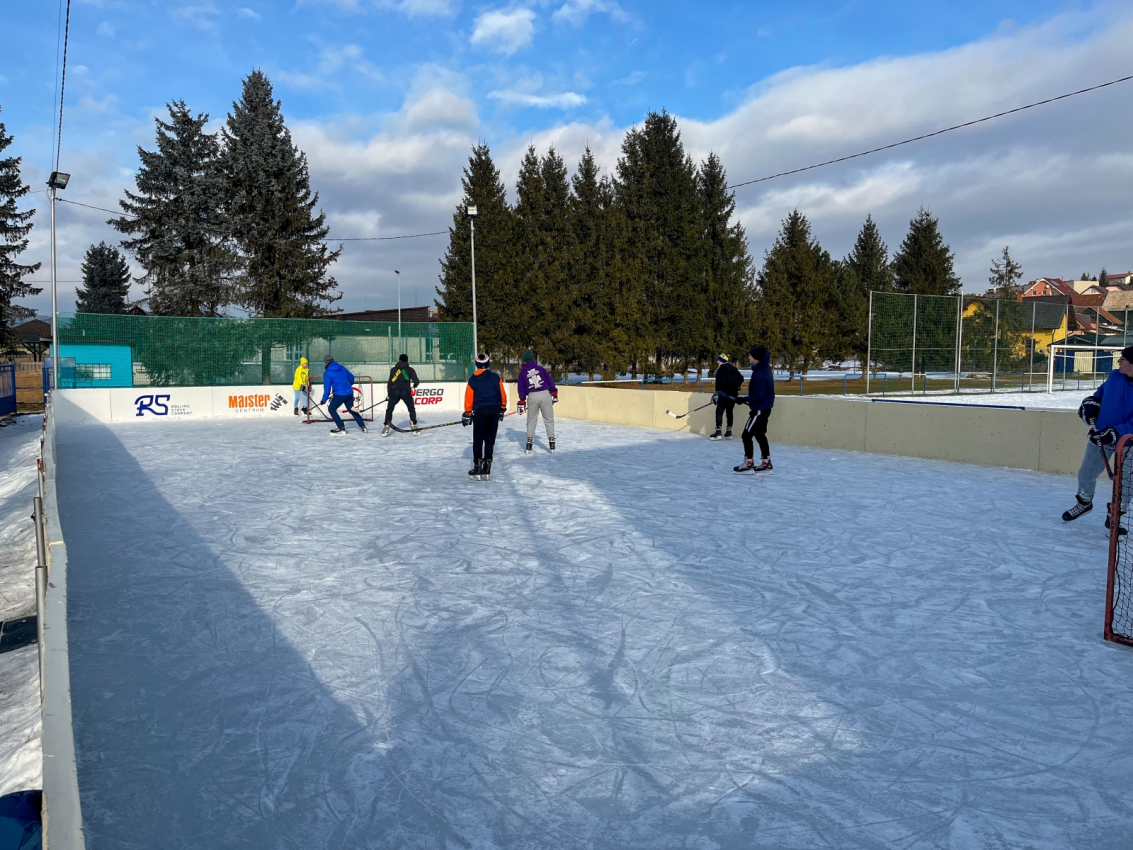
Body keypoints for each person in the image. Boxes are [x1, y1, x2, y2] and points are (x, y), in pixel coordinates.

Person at [1063, 346, 1133, 525]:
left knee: (1126, 484)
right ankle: (1084, 503)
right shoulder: (1114, 376)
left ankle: (1115, 514)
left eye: (1123, 359)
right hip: (1099, 434)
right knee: (1086, 473)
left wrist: (1116, 433)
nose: (1118, 361)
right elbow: (1100, 394)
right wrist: (1091, 404)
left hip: (1128, 442)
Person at [463, 353, 508, 480]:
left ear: (476, 364)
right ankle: (487, 467)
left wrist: (467, 413)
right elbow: (502, 395)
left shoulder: (473, 379)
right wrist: (502, 409)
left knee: (478, 438)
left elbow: (469, 398)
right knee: (490, 439)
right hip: (494, 410)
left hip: (480, 411)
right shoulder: (495, 377)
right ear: (488, 364)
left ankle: (477, 467)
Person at [734, 345, 775, 474]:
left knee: (746, 435)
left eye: (750, 355)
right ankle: (766, 461)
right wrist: (746, 399)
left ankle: (749, 462)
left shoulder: (760, 373)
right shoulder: (762, 369)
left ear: (755, 358)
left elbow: (760, 395)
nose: (748, 357)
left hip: (759, 409)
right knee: (759, 434)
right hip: (764, 407)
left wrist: (745, 399)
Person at [517, 349, 557, 455]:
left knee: (531, 420)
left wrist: (522, 400)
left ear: (524, 360)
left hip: (532, 396)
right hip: (545, 394)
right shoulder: (540, 369)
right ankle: (552, 442)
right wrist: (554, 391)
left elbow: (521, 387)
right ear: (533, 359)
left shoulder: (523, 373)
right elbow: (549, 381)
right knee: (548, 419)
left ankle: (529, 444)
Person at [320, 354, 367, 434]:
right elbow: (351, 377)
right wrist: (349, 385)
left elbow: (327, 389)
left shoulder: (327, 373)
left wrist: (323, 400)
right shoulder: (342, 368)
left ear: (326, 362)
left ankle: (340, 427)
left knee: (331, 409)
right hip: (349, 393)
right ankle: (362, 426)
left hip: (339, 394)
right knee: (351, 409)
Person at [382, 354, 421, 436]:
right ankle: (413, 425)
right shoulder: (410, 370)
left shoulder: (393, 370)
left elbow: (390, 383)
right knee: (411, 408)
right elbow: (416, 381)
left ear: (399, 360)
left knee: (390, 408)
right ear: (407, 360)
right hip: (405, 391)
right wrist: (414, 385)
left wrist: (389, 394)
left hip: (394, 391)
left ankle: (386, 425)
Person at [709, 353, 744, 440]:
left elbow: (718, 384)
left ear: (721, 360)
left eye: (718, 359)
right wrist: (737, 386)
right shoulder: (734, 369)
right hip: (733, 395)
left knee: (719, 412)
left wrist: (716, 395)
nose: (717, 361)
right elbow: (741, 378)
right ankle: (729, 432)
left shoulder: (720, 370)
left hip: (723, 394)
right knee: (729, 412)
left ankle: (718, 432)